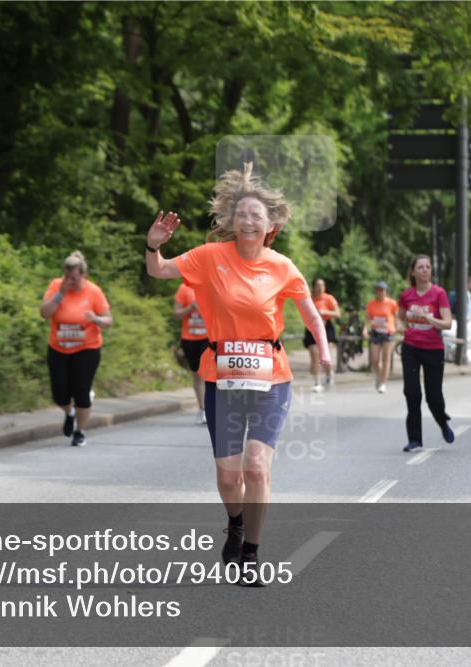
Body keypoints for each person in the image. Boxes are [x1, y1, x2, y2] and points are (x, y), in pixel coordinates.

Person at [144, 163, 329, 585]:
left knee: (257, 468)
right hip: (221, 377)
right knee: (229, 479)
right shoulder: (209, 258)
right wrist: (153, 246)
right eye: (241, 214)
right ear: (231, 222)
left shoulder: (283, 267)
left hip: (271, 379)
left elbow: (312, 316)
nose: (247, 220)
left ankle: (251, 553)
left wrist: (324, 346)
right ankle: (236, 522)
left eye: (256, 215)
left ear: (270, 226)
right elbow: (158, 271)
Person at [39, 251, 112, 447]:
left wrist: (96, 319)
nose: (71, 280)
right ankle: (69, 413)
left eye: (75, 277)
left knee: (81, 392)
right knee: (59, 394)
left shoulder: (93, 291)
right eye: (67, 276)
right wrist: (60, 293)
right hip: (58, 348)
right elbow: (44, 313)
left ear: (83, 274)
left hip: (86, 349)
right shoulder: (56, 286)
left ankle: (80, 431)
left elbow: (108, 320)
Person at [398, 254, 454, 451]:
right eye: (420, 267)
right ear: (413, 272)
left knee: (434, 397)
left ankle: (442, 421)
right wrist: (401, 327)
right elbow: (400, 318)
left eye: (427, 267)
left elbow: (447, 323)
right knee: (412, 393)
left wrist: (428, 318)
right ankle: (415, 439)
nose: (424, 270)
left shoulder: (439, 294)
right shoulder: (406, 295)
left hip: (433, 349)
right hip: (411, 348)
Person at [174, 281, 208, 424]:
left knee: (211, 374)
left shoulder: (211, 286)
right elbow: (176, 314)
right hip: (189, 339)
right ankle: (203, 409)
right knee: (197, 374)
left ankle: (213, 408)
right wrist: (190, 308)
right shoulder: (184, 289)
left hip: (209, 337)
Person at [304, 278, 340, 392]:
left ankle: (329, 374)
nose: (320, 287)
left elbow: (338, 314)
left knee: (326, 354)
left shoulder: (329, 298)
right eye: (318, 285)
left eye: (322, 285)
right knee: (315, 355)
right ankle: (317, 382)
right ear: (314, 287)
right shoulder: (309, 298)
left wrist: (325, 312)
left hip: (326, 328)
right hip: (312, 328)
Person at [364, 281, 399, 393]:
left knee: (386, 358)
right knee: (374, 359)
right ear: (376, 291)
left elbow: (397, 317)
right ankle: (379, 377)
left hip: (388, 332)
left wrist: (397, 327)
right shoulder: (371, 304)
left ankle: (383, 383)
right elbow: (368, 318)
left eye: (382, 290)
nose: (380, 292)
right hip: (376, 331)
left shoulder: (392, 303)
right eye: (378, 290)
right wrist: (365, 329)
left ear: (386, 291)